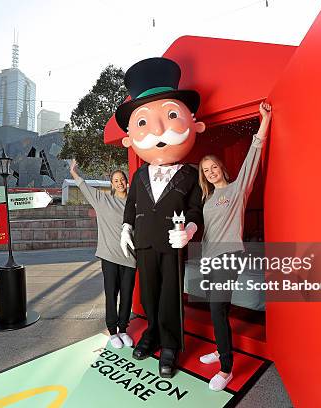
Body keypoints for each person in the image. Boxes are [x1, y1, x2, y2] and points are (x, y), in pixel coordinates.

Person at [117, 57, 204, 378]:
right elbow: (131, 202)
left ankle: (170, 344)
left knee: (170, 294)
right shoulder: (140, 176)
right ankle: (151, 332)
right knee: (149, 292)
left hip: (172, 241)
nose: (158, 131)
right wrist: (126, 227)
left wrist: (191, 228)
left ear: (195, 123)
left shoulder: (191, 174)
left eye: (170, 115)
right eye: (143, 122)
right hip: (144, 241)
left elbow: (196, 208)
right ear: (129, 137)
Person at [197, 101, 272, 391]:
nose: (212, 171)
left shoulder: (237, 189)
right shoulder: (207, 198)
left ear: (221, 168)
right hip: (210, 257)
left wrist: (263, 121)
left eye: (214, 166)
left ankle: (226, 368)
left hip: (229, 256)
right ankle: (220, 348)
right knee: (219, 309)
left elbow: (254, 154)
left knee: (216, 309)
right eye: (206, 169)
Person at [69, 159, 137, 349]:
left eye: (122, 179)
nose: (120, 183)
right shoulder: (103, 201)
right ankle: (113, 331)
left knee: (127, 295)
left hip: (130, 258)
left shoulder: (134, 205)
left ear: (127, 181)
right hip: (109, 256)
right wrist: (74, 173)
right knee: (111, 294)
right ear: (112, 185)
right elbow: (85, 188)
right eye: (116, 180)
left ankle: (123, 329)